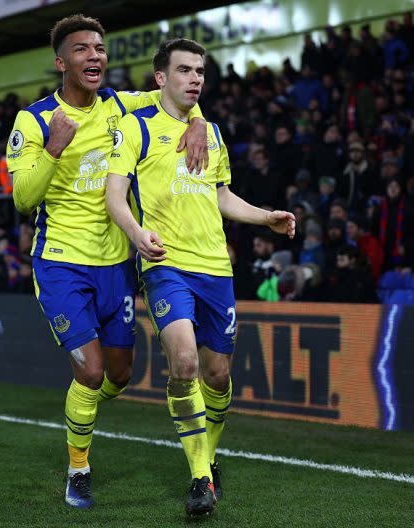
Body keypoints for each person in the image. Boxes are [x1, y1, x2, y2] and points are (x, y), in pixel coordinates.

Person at [6, 15, 209, 509]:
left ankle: (80, 411)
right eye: (82, 50)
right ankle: (78, 468)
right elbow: (22, 200)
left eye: (99, 48)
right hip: (60, 263)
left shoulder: (121, 104)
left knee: (120, 374)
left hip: (116, 265)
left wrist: (199, 121)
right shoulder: (33, 121)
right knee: (92, 372)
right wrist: (54, 148)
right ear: (62, 63)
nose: (94, 56)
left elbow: (180, 95)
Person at [105, 38, 294, 517]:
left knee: (218, 373)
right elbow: (114, 197)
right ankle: (199, 478)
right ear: (160, 78)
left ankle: (206, 459)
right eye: (185, 70)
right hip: (166, 264)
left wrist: (264, 216)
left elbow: (221, 196)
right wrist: (136, 233)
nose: (195, 79)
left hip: (216, 268)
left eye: (200, 72)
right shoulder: (134, 128)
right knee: (184, 363)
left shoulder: (208, 133)